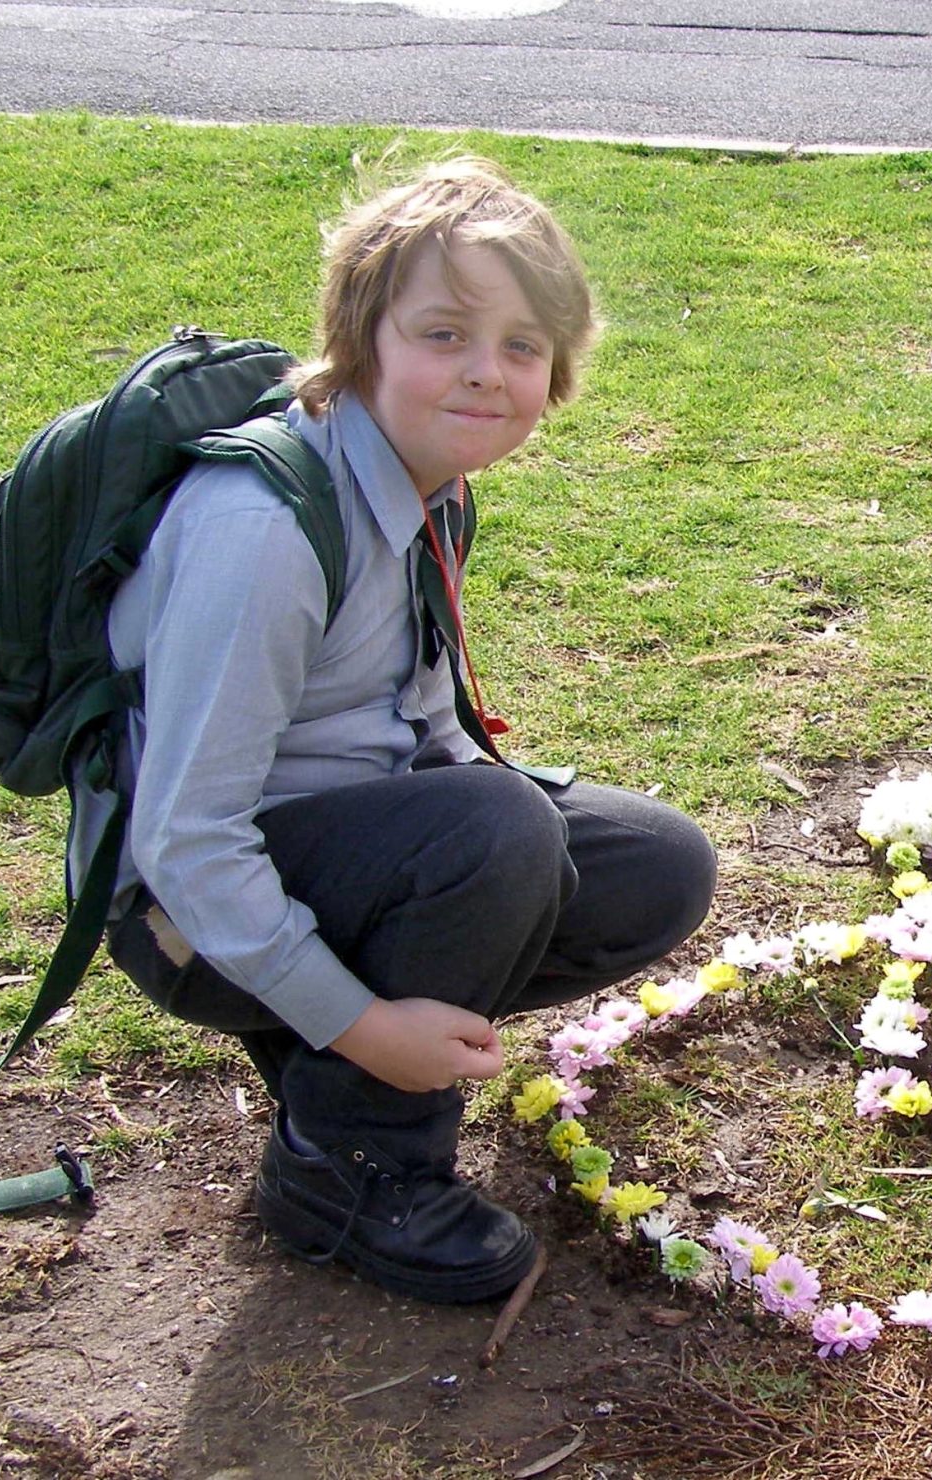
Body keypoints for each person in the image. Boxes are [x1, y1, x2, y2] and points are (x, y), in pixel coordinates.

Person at [86, 157, 717, 1299]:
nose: (488, 373)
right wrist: (370, 1022)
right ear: (361, 338)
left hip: (323, 848)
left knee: (655, 865)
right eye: (444, 332)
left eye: (525, 346)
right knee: (495, 829)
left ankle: (316, 1059)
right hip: (188, 910)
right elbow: (185, 839)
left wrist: (495, 851)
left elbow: (423, 722)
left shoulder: (433, 481)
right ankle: (350, 1163)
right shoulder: (264, 530)